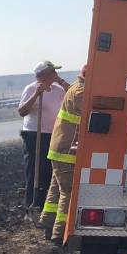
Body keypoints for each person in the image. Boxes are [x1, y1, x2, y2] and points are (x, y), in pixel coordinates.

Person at [39, 66, 84, 242]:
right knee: (68, 191)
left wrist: (58, 79)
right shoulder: (81, 92)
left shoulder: (75, 87)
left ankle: (47, 222)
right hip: (66, 151)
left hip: (59, 149)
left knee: (56, 189)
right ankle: (59, 234)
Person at [17, 61, 69, 210]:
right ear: (43, 75)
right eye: (52, 72)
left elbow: (74, 94)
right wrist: (36, 94)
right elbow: (22, 111)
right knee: (34, 171)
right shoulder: (31, 88)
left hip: (53, 135)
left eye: (55, 72)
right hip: (35, 135)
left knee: (50, 171)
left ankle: (46, 204)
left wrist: (61, 81)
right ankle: (32, 205)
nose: (55, 74)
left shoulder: (58, 89)